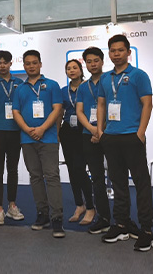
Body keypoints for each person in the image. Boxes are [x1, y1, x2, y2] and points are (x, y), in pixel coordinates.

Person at [97, 34, 153, 252]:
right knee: (118, 183)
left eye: (120, 50)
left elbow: (147, 104)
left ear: (128, 52)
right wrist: (101, 131)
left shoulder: (139, 75)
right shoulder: (106, 78)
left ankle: (146, 230)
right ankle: (121, 224)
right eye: (112, 51)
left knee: (141, 184)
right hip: (111, 137)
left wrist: (140, 133)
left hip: (132, 136)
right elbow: (101, 105)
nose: (116, 54)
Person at [12, 50, 65, 238]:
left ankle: (57, 218)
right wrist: (28, 129)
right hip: (27, 139)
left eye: (34, 63)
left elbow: (57, 109)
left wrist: (42, 128)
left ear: (40, 64)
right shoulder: (20, 88)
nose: (31, 66)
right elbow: (16, 112)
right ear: (24, 66)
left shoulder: (52, 85)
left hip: (48, 138)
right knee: (35, 177)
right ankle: (42, 214)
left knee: (52, 176)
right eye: (27, 63)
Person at [0, 50, 25, 225]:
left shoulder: (19, 83)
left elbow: (23, 106)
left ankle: (12, 205)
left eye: (5, 62)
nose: (2, 65)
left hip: (16, 130)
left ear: (10, 63)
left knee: (13, 169)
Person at [76, 47, 112, 234]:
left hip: (110, 133)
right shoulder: (83, 87)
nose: (92, 64)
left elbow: (114, 108)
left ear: (102, 61)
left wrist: (101, 130)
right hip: (89, 135)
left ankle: (123, 220)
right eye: (89, 62)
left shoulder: (110, 81)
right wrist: (92, 130)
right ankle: (103, 218)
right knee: (97, 178)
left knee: (117, 177)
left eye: (96, 60)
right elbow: (79, 111)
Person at [59, 59, 95, 225]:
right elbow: (60, 113)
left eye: (75, 67)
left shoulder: (88, 87)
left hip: (84, 129)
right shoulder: (63, 91)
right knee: (72, 170)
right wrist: (57, 132)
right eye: (68, 68)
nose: (72, 70)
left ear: (81, 70)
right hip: (67, 130)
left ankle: (90, 207)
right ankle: (79, 205)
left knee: (80, 168)